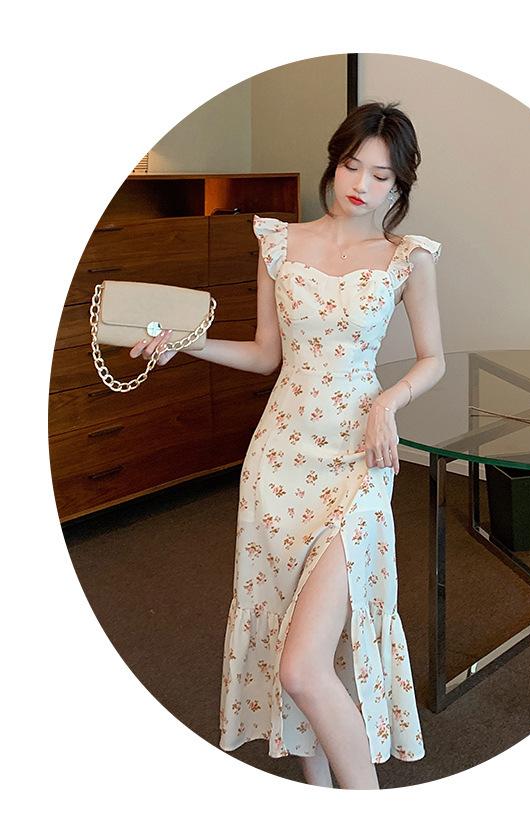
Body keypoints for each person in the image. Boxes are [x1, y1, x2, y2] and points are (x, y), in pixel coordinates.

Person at [130, 101, 445, 790]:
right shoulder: (279, 243)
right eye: (353, 166)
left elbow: (433, 359)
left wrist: (387, 401)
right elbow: (265, 355)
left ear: (399, 184)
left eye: (382, 176)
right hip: (279, 461)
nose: (362, 184)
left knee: (304, 665)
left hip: (359, 460)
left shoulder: (407, 258)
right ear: (335, 162)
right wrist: (186, 345)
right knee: (283, 635)